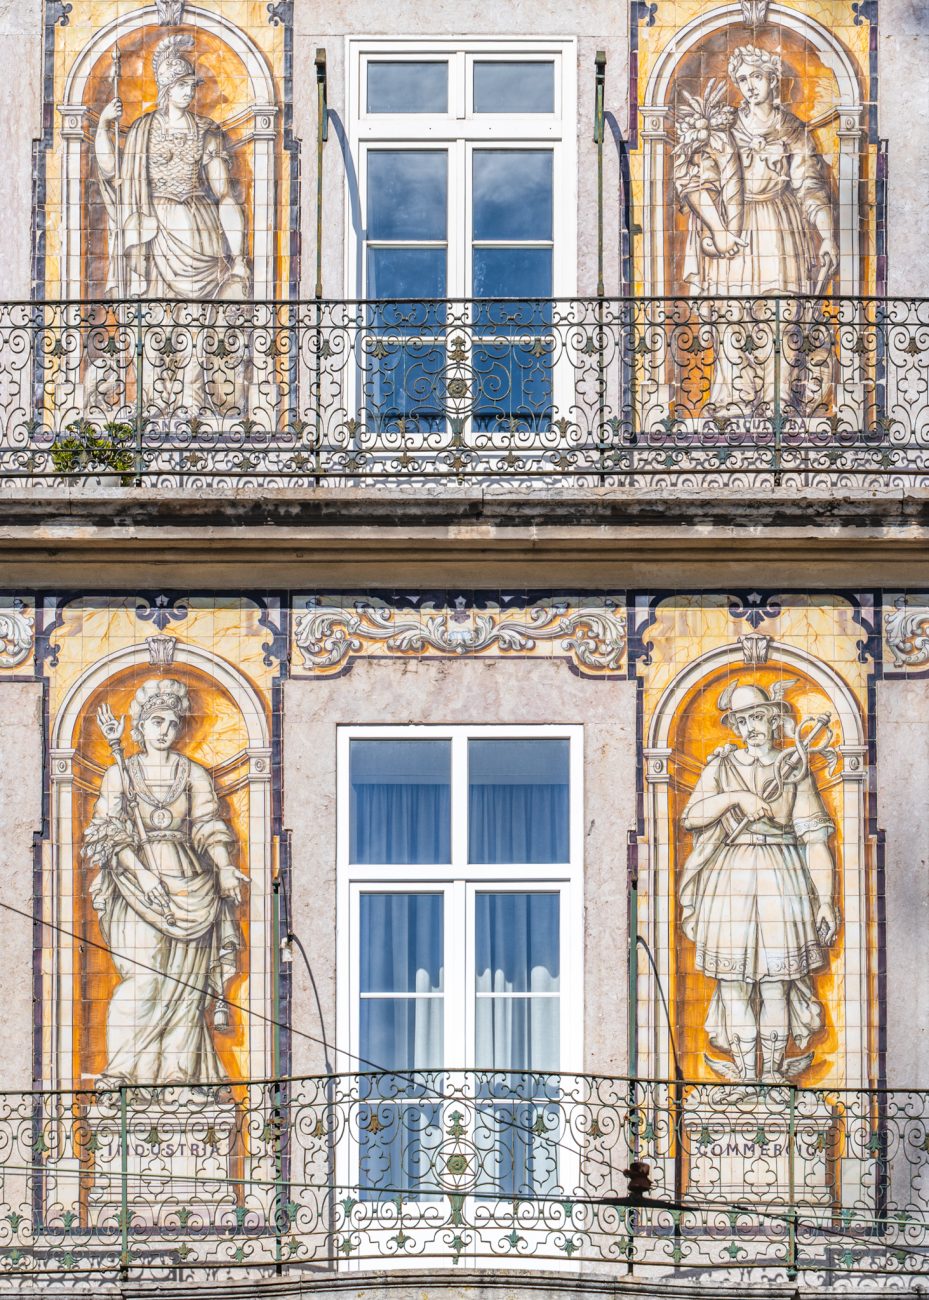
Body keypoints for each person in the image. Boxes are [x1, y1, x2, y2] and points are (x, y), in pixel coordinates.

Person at [82, 678, 247, 1090]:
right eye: (156, 721)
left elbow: (210, 824)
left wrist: (225, 867)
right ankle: (122, 1069)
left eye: (172, 724)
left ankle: (179, 1076)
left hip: (193, 882)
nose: (164, 731)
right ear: (139, 725)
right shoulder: (119, 773)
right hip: (138, 885)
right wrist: (141, 873)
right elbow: (106, 831)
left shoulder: (193, 773)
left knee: (187, 988)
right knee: (145, 979)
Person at [679, 680, 839, 1083]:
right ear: (734, 725)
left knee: (776, 986)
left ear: (773, 719)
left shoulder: (794, 769)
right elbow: (691, 816)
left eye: (757, 717)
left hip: (780, 875)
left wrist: (825, 901)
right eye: (742, 719)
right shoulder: (721, 765)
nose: (750, 726)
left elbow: (815, 839)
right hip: (729, 878)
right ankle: (747, 1078)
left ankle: (771, 1080)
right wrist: (735, 799)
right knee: (732, 983)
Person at [673, 46, 839, 413]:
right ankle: (733, 399)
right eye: (743, 79)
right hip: (735, 225)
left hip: (780, 224)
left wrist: (827, 234)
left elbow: (810, 186)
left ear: (773, 80)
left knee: (780, 315)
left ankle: (777, 399)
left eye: (757, 77)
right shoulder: (723, 126)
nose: (749, 86)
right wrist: (718, 230)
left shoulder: (793, 129)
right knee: (731, 312)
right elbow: (699, 181)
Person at [93, 35, 251, 413]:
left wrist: (239, 254)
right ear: (166, 89)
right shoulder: (142, 129)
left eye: (191, 86)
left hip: (199, 229)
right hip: (154, 230)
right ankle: (151, 401)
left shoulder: (207, 131)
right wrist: (102, 125)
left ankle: (194, 400)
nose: (188, 92)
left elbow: (225, 194)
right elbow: (115, 172)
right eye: (181, 86)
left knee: (197, 320)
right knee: (153, 318)